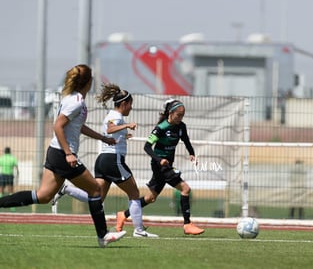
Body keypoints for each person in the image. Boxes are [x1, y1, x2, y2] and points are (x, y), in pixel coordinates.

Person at [0, 64, 126, 247]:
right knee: (95, 190)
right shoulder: (75, 101)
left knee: (43, 196)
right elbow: (58, 126)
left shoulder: (74, 99)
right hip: (62, 154)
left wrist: (102, 138)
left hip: (55, 152)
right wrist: (69, 153)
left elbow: (77, 126)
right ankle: (103, 236)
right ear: (88, 81)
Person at [52, 83, 158, 238]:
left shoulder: (114, 115)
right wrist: (127, 125)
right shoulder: (116, 116)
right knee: (134, 193)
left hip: (103, 160)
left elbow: (111, 132)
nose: (131, 108)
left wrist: (123, 135)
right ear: (123, 104)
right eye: (130, 105)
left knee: (98, 197)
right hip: (113, 160)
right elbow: (109, 129)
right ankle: (139, 230)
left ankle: (66, 189)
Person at [116, 98, 205, 235]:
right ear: (170, 113)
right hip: (160, 166)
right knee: (185, 189)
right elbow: (147, 147)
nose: (180, 118)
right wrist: (159, 160)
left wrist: (192, 153)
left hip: (167, 165)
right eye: (178, 115)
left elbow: (186, 140)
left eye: (182, 115)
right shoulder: (161, 128)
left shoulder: (181, 127)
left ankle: (124, 214)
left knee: (151, 198)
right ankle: (187, 224)